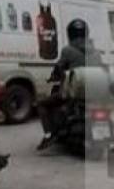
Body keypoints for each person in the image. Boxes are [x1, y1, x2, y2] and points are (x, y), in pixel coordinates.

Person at [37, 19, 103, 149]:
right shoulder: (96, 52)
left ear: (70, 34)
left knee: (41, 104)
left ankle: (49, 134)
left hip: (74, 92)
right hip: (94, 92)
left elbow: (59, 67)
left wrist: (54, 76)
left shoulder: (67, 50)